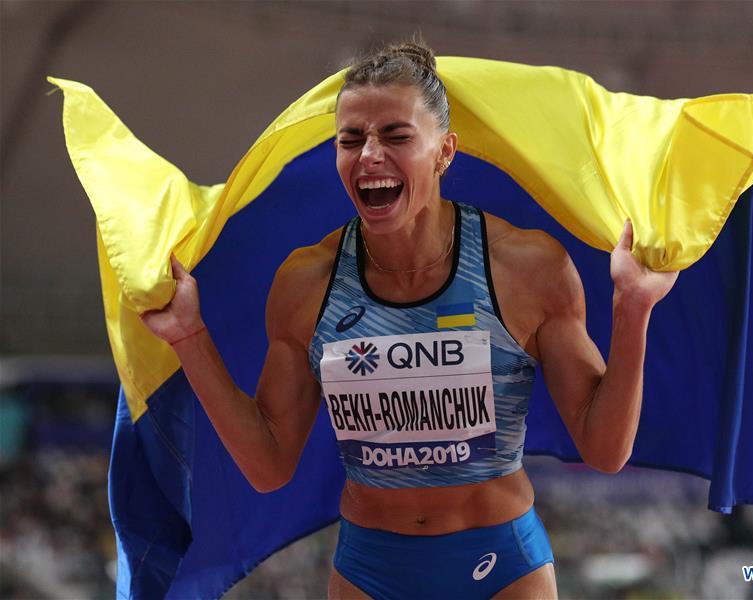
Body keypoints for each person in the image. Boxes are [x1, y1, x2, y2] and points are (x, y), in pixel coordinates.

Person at [140, 39, 678, 599]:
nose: (369, 153)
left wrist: (632, 309)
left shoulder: (526, 268)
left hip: (501, 566)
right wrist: (188, 336)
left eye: (396, 135)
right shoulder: (307, 284)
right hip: (372, 570)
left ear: (445, 151)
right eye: (351, 140)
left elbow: (606, 449)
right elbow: (269, 466)